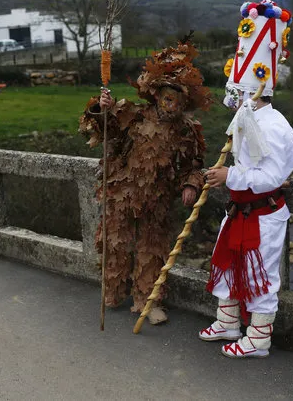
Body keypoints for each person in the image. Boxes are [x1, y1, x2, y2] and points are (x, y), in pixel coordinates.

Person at [79, 37, 211, 324]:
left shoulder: (187, 131)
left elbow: (195, 164)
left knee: (152, 250)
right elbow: (104, 129)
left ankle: (147, 302)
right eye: (167, 97)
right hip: (122, 192)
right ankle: (113, 291)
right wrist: (102, 109)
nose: (171, 104)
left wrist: (191, 183)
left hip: (158, 198)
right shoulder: (134, 115)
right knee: (115, 244)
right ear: (156, 94)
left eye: (177, 100)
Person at [197, 0, 293, 358]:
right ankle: (228, 321)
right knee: (225, 261)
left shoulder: (273, 125)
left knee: (260, 274)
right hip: (240, 209)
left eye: (238, 91)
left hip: (263, 213)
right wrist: (231, 176)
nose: (234, 96)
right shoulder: (246, 119)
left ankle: (258, 339)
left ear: (254, 90)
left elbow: (273, 175)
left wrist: (231, 175)